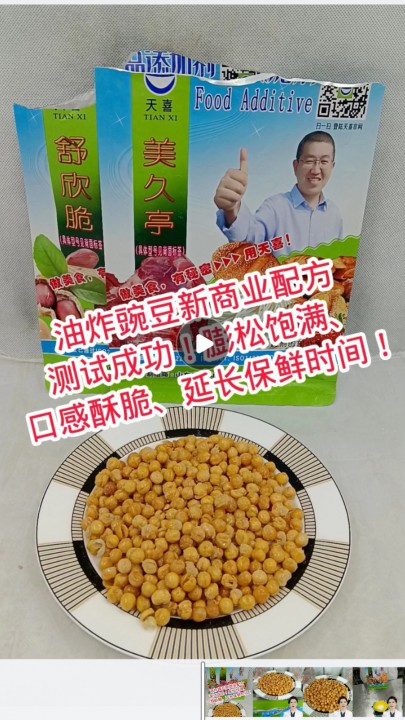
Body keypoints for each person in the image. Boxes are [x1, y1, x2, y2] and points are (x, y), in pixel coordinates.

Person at [214, 131, 343, 256]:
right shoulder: (275, 207)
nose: (315, 170)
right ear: (295, 166)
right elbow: (248, 242)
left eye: (324, 162)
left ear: (332, 166)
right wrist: (232, 209)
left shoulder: (334, 214)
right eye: (309, 161)